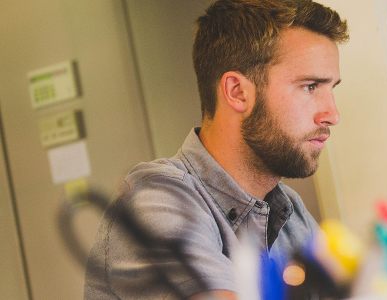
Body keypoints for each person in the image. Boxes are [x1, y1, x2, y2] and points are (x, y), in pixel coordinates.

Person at [84, 0, 349, 299]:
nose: (332, 115)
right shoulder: (155, 201)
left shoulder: (290, 210)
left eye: (332, 88)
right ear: (237, 92)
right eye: (311, 87)